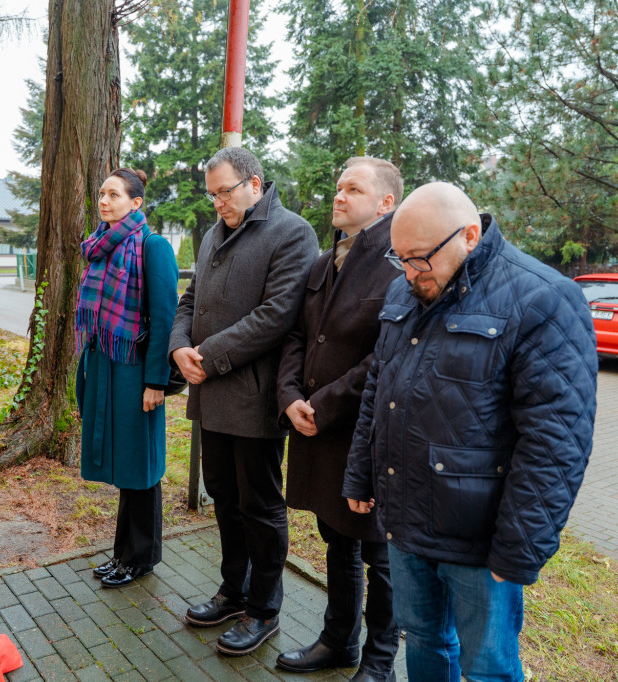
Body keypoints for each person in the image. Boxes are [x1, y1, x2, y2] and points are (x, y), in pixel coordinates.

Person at [343, 182, 598, 682]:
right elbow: (379, 387)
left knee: (489, 668)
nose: (409, 272)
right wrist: (360, 474)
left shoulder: (543, 298)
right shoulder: (406, 289)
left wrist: (520, 548)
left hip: (481, 542)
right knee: (424, 643)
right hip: (407, 522)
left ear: (470, 235)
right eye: (399, 259)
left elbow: (556, 441)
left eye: (419, 259)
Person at [169, 147, 318, 656]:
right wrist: (178, 347)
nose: (217, 204)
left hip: (253, 399)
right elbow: (189, 300)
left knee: (260, 505)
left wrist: (206, 356)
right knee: (224, 499)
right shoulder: (216, 233)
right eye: (211, 194)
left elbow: (277, 314)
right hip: (210, 396)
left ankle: (265, 609)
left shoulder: (292, 233)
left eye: (224, 192)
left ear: (255, 183)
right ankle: (234, 591)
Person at [276, 158, 402, 682]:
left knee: (379, 553)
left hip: (363, 434)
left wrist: (324, 404)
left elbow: (386, 356)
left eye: (355, 188)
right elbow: (298, 337)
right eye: (338, 187)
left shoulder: (398, 264)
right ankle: (337, 640)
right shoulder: (324, 262)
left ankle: (378, 663)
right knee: (337, 537)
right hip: (315, 430)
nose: (340, 196)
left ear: (386, 203)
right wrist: (288, 396)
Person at [75, 168, 178, 589]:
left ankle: (141, 558)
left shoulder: (152, 247)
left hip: (136, 371)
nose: (104, 200)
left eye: (114, 194)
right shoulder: (100, 247)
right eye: (101, 193)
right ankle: (123, 552)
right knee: (124, 466)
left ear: (136, 203)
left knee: (141, 466)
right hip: (105, 366)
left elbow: (165, 318)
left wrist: (157, 380)